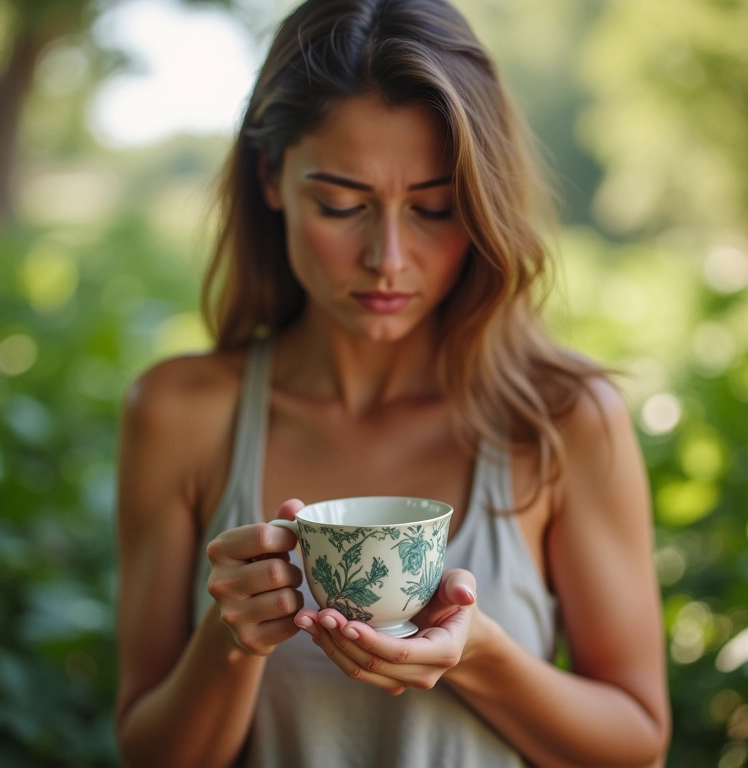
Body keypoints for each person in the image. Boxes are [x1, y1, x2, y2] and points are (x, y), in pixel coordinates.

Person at [114, 0, 671, 766]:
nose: (388, 258)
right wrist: (231, 641)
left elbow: (637, 743)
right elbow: (147, 752)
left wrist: (479, 656)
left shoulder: (562, 421)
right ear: (270, 176)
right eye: (341, 204)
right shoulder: (180, 415)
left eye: (434, 209)